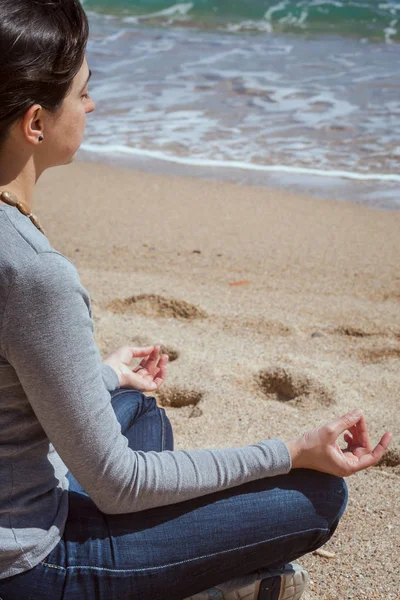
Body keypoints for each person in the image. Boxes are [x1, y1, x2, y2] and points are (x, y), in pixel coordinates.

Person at [0, 1, 392, 599]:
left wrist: (99, 374)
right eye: (82, 92)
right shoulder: (33, 271)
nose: (91, 105)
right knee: (316, 498)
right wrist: (292, 450)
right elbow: (118, 484)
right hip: (29, 567)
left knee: (142, 410)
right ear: (35, 123)